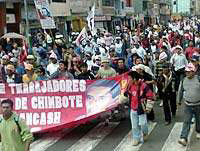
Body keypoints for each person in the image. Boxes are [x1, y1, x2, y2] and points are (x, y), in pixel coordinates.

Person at [126, 71, 155, 146]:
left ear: (134, 78)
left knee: (143, 124)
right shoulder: (129, 85)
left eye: (129, 78)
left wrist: (148, 107)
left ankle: (145, 133)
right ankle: (136, 138)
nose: (128, 80)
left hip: (141, 108)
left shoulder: (143, 85)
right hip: (133, 108)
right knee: (134, 126)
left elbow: (151, 96)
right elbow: (126, 94)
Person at [177, 63, 200, 146]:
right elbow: (180, 91)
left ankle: (198, 131)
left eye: (189, 72)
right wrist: (179, 100)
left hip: (198, 104)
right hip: (187, 104)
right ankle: (184, 138)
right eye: (186, 72)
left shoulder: (198, 79)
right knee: (186, 121)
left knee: (198, 119)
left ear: (194, 72)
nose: (187, 73)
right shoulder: (183, 80)